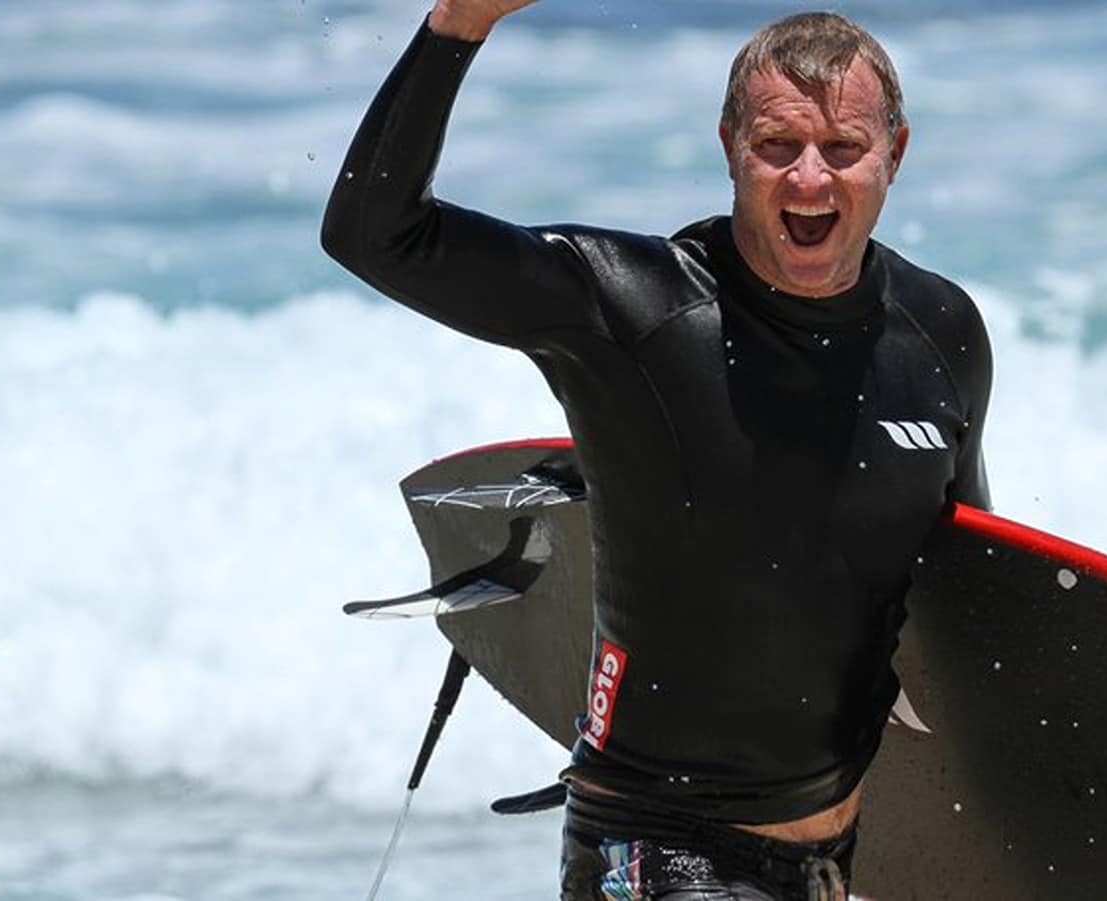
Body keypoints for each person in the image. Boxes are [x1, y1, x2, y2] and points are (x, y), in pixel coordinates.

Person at [322, 2, 991, 898]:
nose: (809, 178)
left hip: (828, 866)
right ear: (728, 145)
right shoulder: (631, 310)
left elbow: (969, 577)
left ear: (894, 154)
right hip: (653, 849)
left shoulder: (940, 334)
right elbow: (374, 233)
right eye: (776, 146)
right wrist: (459, 25)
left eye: (842, 148)